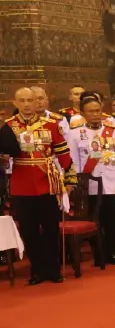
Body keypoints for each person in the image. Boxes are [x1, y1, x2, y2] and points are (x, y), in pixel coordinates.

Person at [7, 87, 74, 284]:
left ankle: (53, 269)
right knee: (28, 231)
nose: (28, 105)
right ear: (15, 103)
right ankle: (36, 269)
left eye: (31, 100)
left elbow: (63, 153)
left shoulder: (52, 125)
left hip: (47, 184)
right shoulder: (9, 127)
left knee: (51, 228)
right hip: (21, 185)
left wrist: (70, 179)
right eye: (23, 101)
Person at [67, 92, 115, 265]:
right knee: (94, 221)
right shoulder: (76, 134)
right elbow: (73, 161)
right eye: (90, 111)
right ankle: (97, 255)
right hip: (89, 185)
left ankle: (111, 253)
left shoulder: (112, 132)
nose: (95, 114)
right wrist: (77, 184)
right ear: (83, 114)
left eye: (97, 110)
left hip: (110, 182)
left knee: (111, 220)